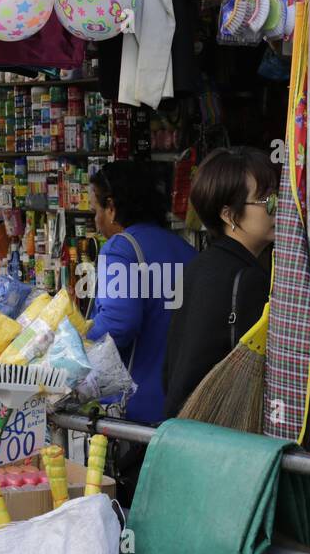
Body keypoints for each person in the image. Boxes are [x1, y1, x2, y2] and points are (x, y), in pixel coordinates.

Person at [163, 147, 277, 419]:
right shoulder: (246, 279)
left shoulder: (197, 267)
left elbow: (171, 367)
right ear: (229, 215)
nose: (278, 207)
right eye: (266, 202)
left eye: (277, 197)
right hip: (220, 433)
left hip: (185, 426)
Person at [87, 161, 196, 424]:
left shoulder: (120, 248)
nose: (96, 222)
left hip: (136, 408)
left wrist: (77, 341)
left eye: (96, 211)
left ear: (112, 208)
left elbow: (118, 323)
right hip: (185, 405)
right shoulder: (185, 250)